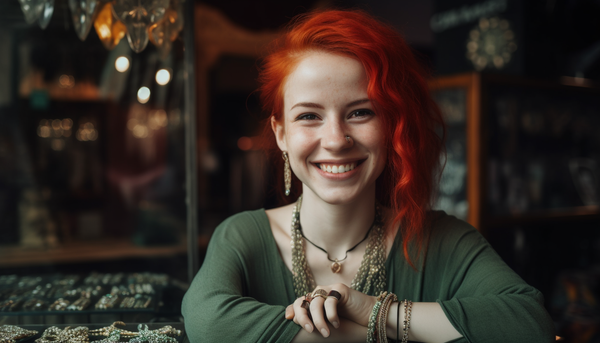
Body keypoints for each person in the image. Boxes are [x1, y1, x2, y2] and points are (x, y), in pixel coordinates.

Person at [182, 9, 555, 343]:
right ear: (281, 133)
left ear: (391, 125)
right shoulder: (241, 236)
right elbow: (208, 324)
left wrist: (375, 310)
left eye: (360, 113)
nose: (335, 140)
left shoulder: (445, 240)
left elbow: (529, 325)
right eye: (309, 116)